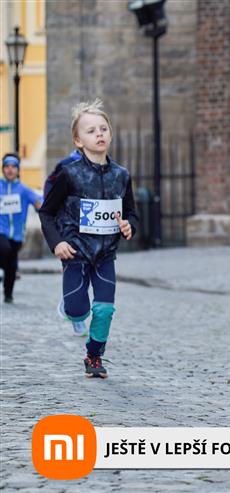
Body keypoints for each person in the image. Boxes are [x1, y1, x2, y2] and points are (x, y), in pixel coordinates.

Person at [39, 99, 139, 378]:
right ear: (78, 141)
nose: (99, 134)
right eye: (91, 130)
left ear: (110, 134)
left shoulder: (121, 175)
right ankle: (70, 309)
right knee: (77, 310)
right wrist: (57, 242)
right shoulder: (69, 174)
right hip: (75, 252)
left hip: (105, 254)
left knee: (104, 310)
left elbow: (131, 212)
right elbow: (46, 212)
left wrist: (129, 226)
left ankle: (94, 356)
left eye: (103, 129)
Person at [0, 153, 42, 303]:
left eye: (13, 167)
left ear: (18, 170)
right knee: (4, 249)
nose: (10, 170)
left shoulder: (23, 189)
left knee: (11, 266)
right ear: (3, 169)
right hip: (1, 231)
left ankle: (8, 294)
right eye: (7, 167)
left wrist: (39, 204)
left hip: (17, 234)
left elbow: (39, 200)